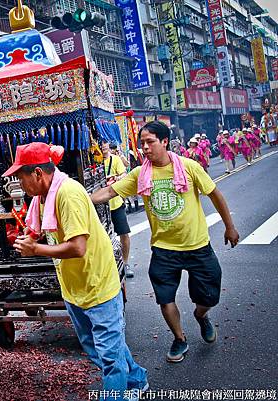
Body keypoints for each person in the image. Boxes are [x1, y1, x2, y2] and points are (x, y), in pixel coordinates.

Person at [5, 142, 148, 400]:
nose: (19, 184)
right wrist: (29, 236)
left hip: (97, 283)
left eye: (20, 177)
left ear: (37, 173)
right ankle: (137, 378)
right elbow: (39, 229)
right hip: (73, 285)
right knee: (99, 346)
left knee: (108, 353)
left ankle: (118, 393)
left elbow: (78, 247)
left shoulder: (68, 193)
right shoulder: (42, 197)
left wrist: (35, 249)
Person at [91, 121, 239, 363]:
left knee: (209, 297)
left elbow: (215, 194)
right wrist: (82, 199)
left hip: (197, 246)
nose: (145, 148)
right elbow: (109, 193)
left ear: (164, 141)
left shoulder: (189, 168)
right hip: (163, 249)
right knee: (165, 298)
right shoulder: (140, 173)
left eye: (150, 142)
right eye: (142, 144)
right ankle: (180, 338)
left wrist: (230, 227)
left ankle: (201, 316)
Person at [102, 142, 134, 278]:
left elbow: (123, 174)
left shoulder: (115, 159)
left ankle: (126, 263)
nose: (103, 146)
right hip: (101, 205)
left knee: (124, 233)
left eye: (105, 143)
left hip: (115, 202)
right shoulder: (94, 160)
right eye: (100, 143)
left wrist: (114, 179)